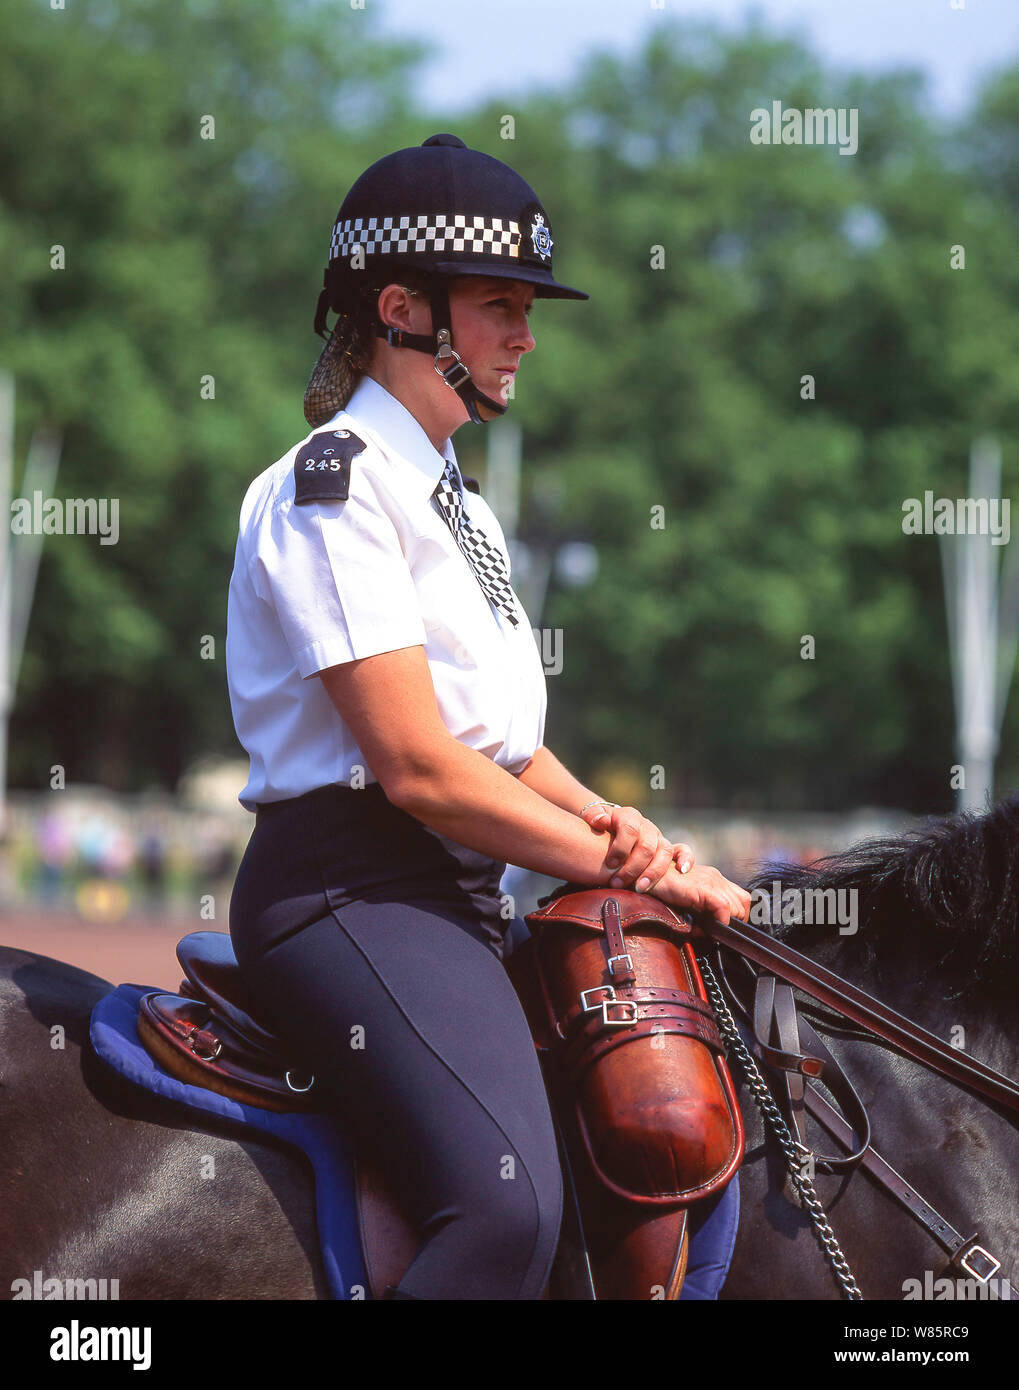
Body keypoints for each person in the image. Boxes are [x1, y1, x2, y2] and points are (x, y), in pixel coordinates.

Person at [225, 133, 751, 1300]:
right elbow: (417, 765)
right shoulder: (338, 483)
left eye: (529, 307)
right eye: (502, 305)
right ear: (403, 310)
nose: (526, 335)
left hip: (453, 894)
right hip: (350, 893)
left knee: (646, 1145)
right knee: (506, 1208)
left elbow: (502, 743)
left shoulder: (457, 503)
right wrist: (628, 874)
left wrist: (624, 828)